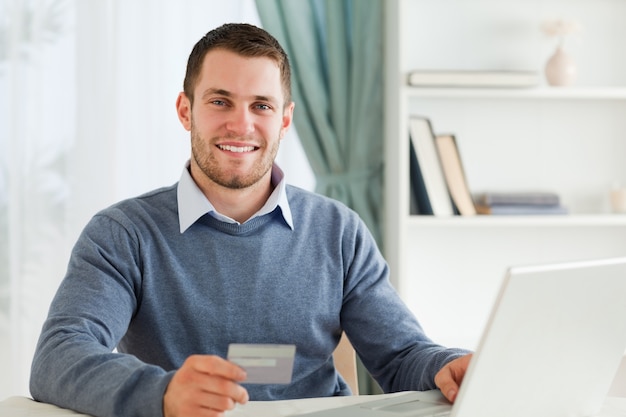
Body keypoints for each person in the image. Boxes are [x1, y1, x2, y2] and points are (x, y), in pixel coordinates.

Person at [30, 23, 472, 417]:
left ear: (284, 119)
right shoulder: (123, 234)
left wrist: (445, 366)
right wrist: (161, 394)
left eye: (261, 105)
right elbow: (59, 356)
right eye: (220, 101)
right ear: (186, 111)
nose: (240, 125)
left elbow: (402, 357)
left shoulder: (338, 231)